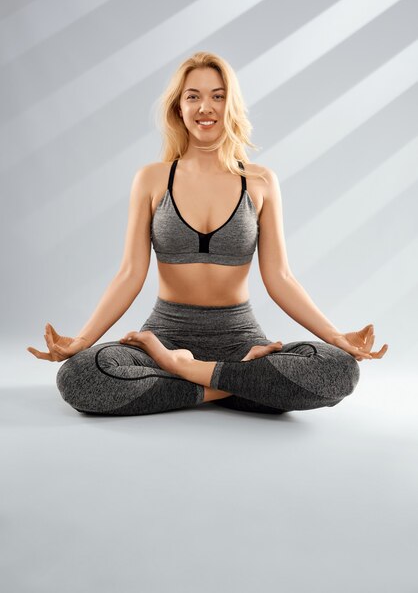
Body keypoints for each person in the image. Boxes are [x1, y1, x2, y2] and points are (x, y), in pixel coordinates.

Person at [27, 51, 388, 416]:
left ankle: (183, 371)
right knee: (80, 377)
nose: (205, 107)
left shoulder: (260, 182)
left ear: (231, 105)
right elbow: (130, 273)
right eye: (193, 96)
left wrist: (337, 337)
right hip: (162, 337)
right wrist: (83, 340)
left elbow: (280, 277)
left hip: (240, 340)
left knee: (338, 369)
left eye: (217, 96)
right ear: (178, 108)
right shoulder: (151, 179)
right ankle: (237, 386)